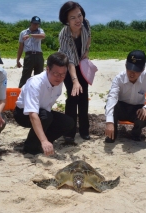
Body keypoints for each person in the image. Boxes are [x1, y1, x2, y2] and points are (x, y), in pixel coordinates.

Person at [13, 52, 74, 156]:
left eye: (63, 74)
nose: (59, 77)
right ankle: (30, 147)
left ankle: (42, 143)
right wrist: (43, 140)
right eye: (55, 73)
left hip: (43, 112)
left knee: (68, 122)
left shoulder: (58, 82)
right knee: (46, 116)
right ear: (47, 69)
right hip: (23, 114)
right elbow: (32, 114)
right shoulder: (35, 83)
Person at [58, 1, 91, 143]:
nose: (78, 20)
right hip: (67, 65)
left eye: (79, 15)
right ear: (66, 20)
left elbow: (89, 37)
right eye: (73, 18)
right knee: (73, 97)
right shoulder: (64, 35)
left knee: (84, 97)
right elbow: (70, 60)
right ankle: (69, 132)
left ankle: (84, 131)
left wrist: (87, 51)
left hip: (81, 63)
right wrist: (75, 80)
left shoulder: (86, 24)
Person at [105, 50, 146, 143]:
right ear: (125, 65)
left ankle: (136, 132)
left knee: (143, 117)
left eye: (136, 71)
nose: (132, 74)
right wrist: (109, 122)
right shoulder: (119, 78)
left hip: (137, 109)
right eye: (129, 69)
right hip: (121, 107)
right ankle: (112, 133)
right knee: (112, 108)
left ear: (143, 68)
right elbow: (111, 98)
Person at [17, 16, 46, 88]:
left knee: (39, 77)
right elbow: (21, 47)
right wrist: (18, 60)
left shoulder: (40, 31)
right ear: (31, 23)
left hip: (39, 56)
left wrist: (30, 35)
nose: (36, 25)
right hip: (29, 56)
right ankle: (20, 94)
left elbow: (43, 36)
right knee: (25, 77)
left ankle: (37, 95)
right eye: (34, 23)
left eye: (37, 24)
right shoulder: (23, 33)